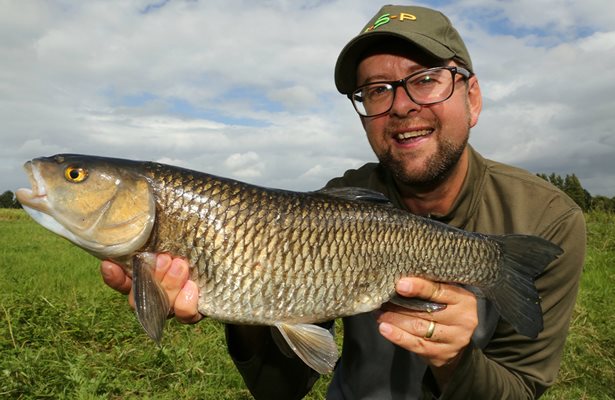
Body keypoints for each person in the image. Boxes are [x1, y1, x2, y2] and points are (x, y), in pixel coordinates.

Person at [101, 5, 585, 399]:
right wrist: (244, 307)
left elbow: (522, 390)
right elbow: (279, 390)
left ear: (472, 98)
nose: (400, 105)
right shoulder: (335, 205)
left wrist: (456, 359)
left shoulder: (547, 219)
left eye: (425, 79)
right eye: (377, 90)